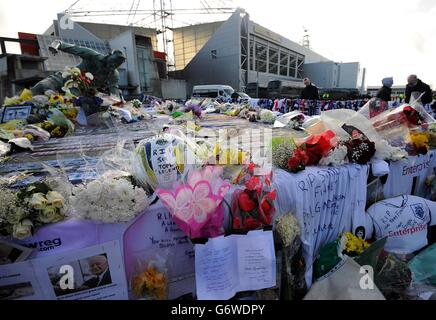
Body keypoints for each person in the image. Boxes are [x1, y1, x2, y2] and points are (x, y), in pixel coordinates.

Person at [31, 40, 126, 97]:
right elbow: (73, 48)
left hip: (82, 93)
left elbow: (114, 91)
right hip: (65, 78)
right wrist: (57, 45)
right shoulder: (93, 56)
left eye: (115, 65)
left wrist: (117, 103)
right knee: (40, 87)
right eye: (112, 62)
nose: (112, 66)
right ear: (109, 56)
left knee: (70, 102)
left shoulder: (113, 74)